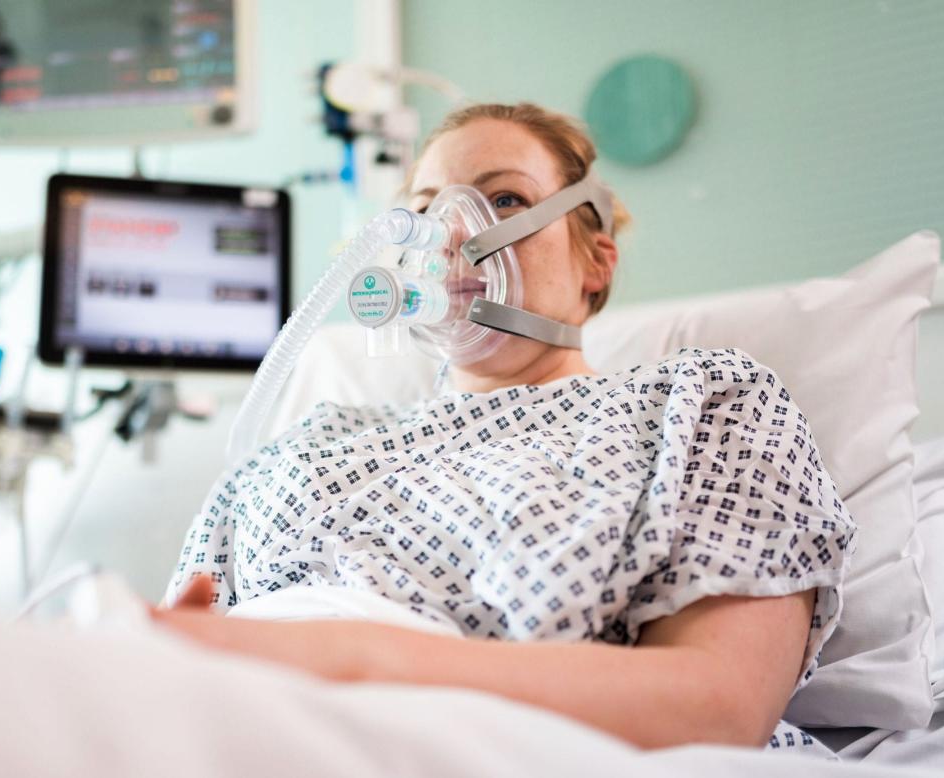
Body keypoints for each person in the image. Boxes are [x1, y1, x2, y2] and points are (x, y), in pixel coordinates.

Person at [156, 103, 855, 751]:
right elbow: (160, 651)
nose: (456, 234)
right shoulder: (306, 441)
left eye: (506, 200)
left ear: (594, 263)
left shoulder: (700, 406)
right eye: (428, 209)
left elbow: (720, 708)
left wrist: (354, 658)